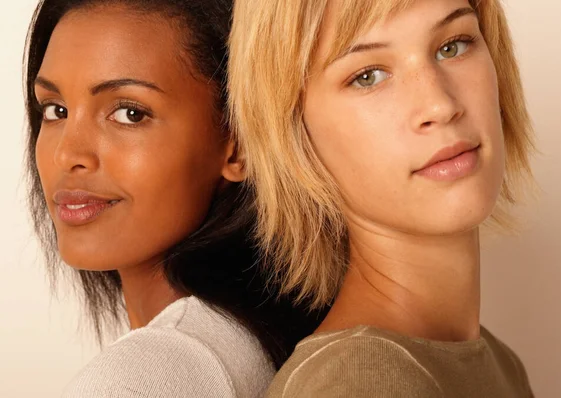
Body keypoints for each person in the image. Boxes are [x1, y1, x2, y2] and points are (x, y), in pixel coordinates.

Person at [228, 0, 535, 396]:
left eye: (453, 46)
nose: (440, 105)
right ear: (295, 132)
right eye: (368, 76)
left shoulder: (496, 362)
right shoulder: (357, 382)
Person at [23, 0, 322, 396]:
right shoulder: (260, 337)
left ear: (239, 145)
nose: (67, 155)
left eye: (130, 113)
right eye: (56, 110)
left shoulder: (142, 376)